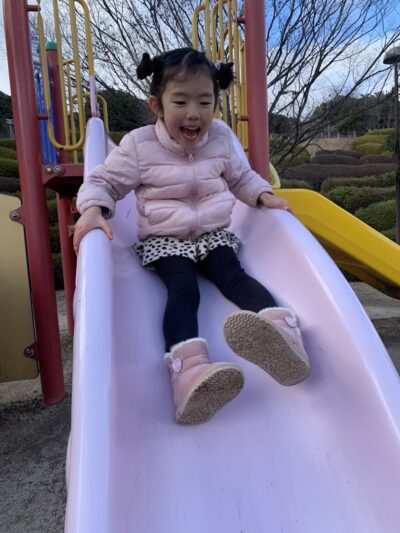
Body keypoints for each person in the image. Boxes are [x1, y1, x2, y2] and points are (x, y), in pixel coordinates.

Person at [73, 47, 310, 425]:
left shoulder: (221, 138)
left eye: (204, 101)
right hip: (165, 238)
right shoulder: (139, 146)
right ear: (156, 105)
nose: (194, 113)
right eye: (181, 102)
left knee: (235, 277)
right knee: (184, 289)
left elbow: (241, 176)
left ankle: (282, 336)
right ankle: (188, 372)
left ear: (216, 102)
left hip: (213, 234)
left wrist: (262, 195)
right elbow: (104, 181)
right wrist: (92, 209)